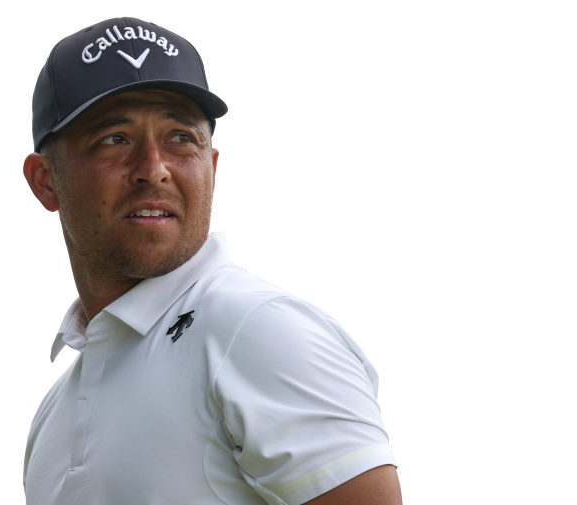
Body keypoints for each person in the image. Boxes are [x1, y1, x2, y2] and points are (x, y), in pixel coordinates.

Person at [21, 17, 402, 505]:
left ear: (212, 167)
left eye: (181, 137)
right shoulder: (51, 416)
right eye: (115, 139)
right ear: (45, 181)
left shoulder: (258, 328)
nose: (154, 169)